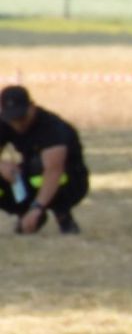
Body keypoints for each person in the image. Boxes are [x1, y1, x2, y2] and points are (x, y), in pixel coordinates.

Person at [2, 86, 87, 234]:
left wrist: (37, 208)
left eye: (21, 117)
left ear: (32, 107)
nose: (17, 124)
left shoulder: (52, 128)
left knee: (38, 166)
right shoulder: (5, 123)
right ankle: (24, 214)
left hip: (69, 181)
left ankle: (62, 214)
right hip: (31, 177)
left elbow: (54, 171)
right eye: (12, 119)